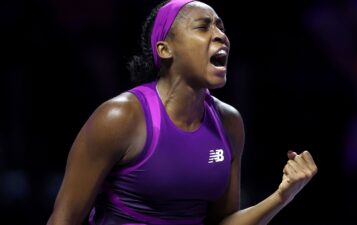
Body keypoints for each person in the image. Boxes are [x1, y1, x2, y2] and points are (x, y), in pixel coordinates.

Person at [46, 0, 318, 224]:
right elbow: (65, 218)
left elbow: (223, 222)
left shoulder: (229, 123)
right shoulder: (120, 118)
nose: (220, 34)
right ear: (165, 49)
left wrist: (282, 196)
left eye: (220, 27)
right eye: (203, 27)